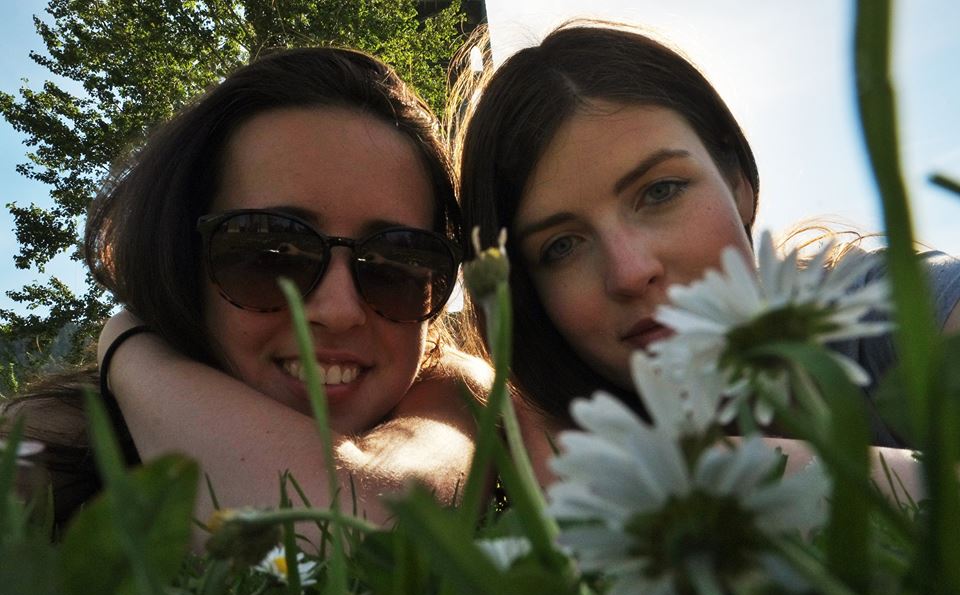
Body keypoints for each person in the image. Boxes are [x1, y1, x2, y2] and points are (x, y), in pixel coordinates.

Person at [3, 46, 491, 538]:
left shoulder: (455, 395)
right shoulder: (43, 446)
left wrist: (129, 347)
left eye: (398, 262)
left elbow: (355, 529)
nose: (339, 310)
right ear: (180, 261)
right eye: (270, 253)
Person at [451, 22, 960, 492]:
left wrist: (707, 476)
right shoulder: (555, 430)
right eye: (561, 246)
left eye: (661, 191)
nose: (630, 272)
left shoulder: (889, 311)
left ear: (738, 182)